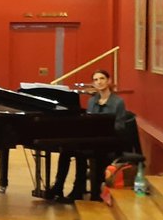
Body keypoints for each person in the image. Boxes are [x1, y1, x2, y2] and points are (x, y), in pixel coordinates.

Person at [49, 70, 133, 202]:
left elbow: (120, 126)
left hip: (110, 140)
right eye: (96, 80)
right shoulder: (92, 101)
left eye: (102, 78)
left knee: (83, 152)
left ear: (109, 80)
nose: (99, 82)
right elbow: (89, 121)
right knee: (66, 150)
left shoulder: (118, 102)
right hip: (94, 138)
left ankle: (82, 190)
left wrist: (104, 128)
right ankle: (59, 187)